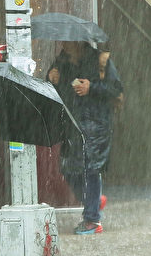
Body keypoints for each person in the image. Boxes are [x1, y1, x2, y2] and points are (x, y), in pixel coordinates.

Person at [47, 41, 123, 235]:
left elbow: (116, 91)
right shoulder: (61, 60)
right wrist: (51, 78)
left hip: (96, 124)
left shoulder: (101, 61)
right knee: (69, 168)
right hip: (72, 123)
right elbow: (54, 89)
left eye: (69, 41)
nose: (64, 44)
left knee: (91, 168)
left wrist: (92, 87)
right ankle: (94, 201)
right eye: (63, 41)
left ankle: (92, 220)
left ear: (79, 41)